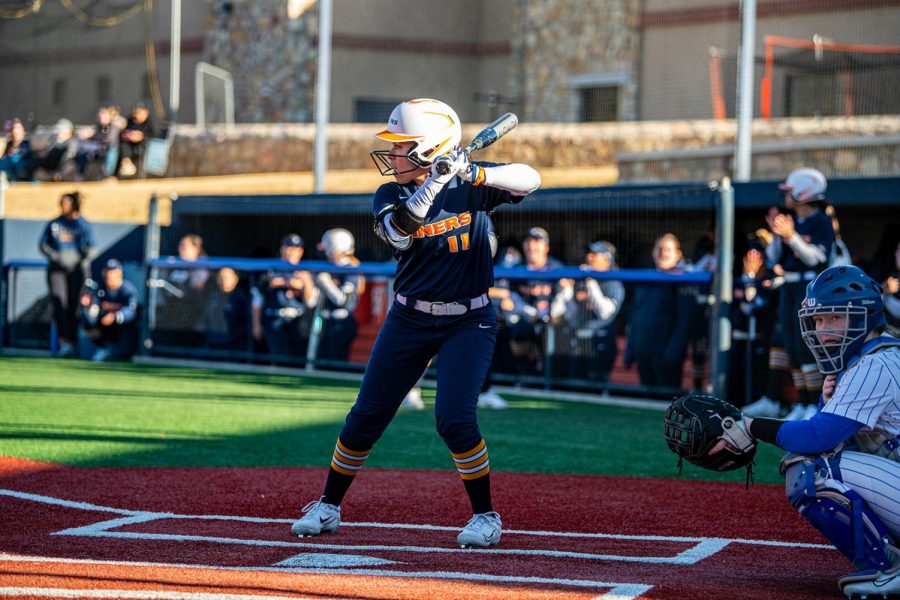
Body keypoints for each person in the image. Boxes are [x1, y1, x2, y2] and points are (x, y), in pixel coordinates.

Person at [291, 98, 541, 548]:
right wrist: (435, 182)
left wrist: (472, 173)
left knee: (454, 419)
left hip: (470, 318)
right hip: (410, 317)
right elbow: (400, 232)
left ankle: (486, 516)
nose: (392, 155)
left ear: (429, 149)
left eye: (402, 147)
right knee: (367, 414)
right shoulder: (389, 194)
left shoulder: (473, 184)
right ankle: (328, 504)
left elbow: (532, 179)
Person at [710, 265, 900, 598]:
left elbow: (817, 438)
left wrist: (750, 425)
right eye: (819, 320)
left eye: (835, 318)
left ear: (865, 316)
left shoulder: (875, 363)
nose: (823, 329)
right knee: (823, 458)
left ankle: (887, 567)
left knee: (812, 467)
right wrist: (831, 400)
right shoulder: (874, 357)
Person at [766, 168, 835, 420]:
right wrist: (777, 236)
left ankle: (812, 403)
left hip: (810, 288)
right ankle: (801, 402)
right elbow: (773, 258)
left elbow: (817, 258)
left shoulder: (821, 221)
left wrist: (792, 236)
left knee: (806, 346)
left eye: (789, 191)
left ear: (803, 193)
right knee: (791, 345)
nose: (785, 196)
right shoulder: (789, 220)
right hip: (788, 287)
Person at [624, 233, 695, 391]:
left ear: (678, 255)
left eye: (668, 249)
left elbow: (685, 322)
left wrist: (674, 353)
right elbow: (635, 317)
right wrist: (630, 350)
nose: (663, 252)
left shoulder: (684, 281)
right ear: (653, 252)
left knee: (667, 405)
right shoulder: (645, 279)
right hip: (643, 353)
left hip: (666, 356)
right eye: (659, 248)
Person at [555, 241, 625, 388]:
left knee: (596, 386)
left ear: (607, 259)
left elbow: (605, 314)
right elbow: (570, 316)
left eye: (595, 254)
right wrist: (566, 291)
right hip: (579, 341)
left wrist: (591, 283)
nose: (589, 257)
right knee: (575, 385)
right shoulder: (581, 281)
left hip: (601, 342)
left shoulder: (614, 282)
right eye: (589, 253)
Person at [39, 191, 97, 357]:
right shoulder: (54, 224)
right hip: (58, 270)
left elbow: (92, 246)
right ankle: (64, 342)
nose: (63, 206)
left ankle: (75, 342)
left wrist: (82, 261)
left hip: (77, 271)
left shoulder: (83, 224)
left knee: (76, 306)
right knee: (60, 303)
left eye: (66, 203)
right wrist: (57, 257)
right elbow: (43, 244)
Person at [251, 234, 318, 362]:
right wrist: (256, 324)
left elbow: (311, 302)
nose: (293, 251)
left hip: (298, 321)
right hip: (275, 319)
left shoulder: (305, 271)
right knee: (281, 359)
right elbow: (257, 299)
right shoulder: (271, 269)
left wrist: (306, 281)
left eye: (297, 248)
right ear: (282, 248)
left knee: (298, 361)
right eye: (289, 247)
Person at [312, 228, 364, 364]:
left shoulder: (351, 269)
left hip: (342, 322)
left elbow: (343, 300)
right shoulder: (328, 267)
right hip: (326, 321)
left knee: (337, 361)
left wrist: (326, 282)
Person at [154, 234, 211, 348]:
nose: (180, 249)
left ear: (196, 249)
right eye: (180, 246)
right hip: (173, 315)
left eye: (184, 246)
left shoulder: (202, 267)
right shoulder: (177, 265)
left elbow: (198, 291)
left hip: (192, 317)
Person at [80, 259, 139, 361]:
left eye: (113, 272)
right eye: (108, 272)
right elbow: (95, 308)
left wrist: (115, 316)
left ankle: (119, 350)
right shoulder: (100, 289)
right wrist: (89, 306)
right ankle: (103, 348)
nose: (110, 275)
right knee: (87, 321)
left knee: (122, 356)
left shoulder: (127, 290)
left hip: (122, 328)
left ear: (119, 274)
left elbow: (131, 311)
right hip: (105, 327)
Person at [203, 267, 251, 351]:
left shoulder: (241, 297)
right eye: (220, 277)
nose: (222, 280)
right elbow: (205, 319)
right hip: (212, 342)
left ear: (236, 279)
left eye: (226, 277)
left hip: (234, 346)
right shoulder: (213, 296)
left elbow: (247, 324)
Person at [117, 102, 154, 178]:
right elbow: (124, 131)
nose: (135, 115)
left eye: (138, 113)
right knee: (122, 143)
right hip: (130, 146)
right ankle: (127, 164)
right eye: (134, 113)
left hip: (145, 146)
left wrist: (140, 136)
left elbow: (154, 135)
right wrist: (128, 135)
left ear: (145, 113)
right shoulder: (131, 120)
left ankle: (127, 165)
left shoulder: (151, 122)